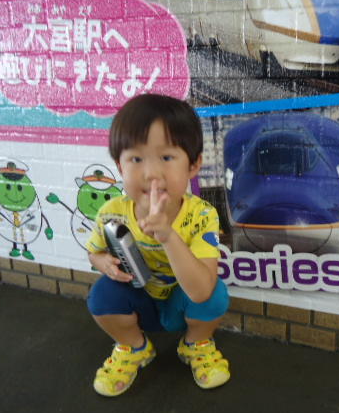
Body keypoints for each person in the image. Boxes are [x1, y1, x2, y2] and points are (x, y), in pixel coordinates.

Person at [85, 93, 230, 396]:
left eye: (166, 157)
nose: (151, 174)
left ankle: (196, 344)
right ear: (120, 166)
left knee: (216, 293)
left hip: (182, 303)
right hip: (140, 302)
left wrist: (167, 235)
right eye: (136, 159)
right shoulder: (111, 212)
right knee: (101, 295)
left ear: (193, 165)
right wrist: (103, 263)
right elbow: (94, 252)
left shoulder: (203, 215)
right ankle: (134, 347)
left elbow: (201, 291)